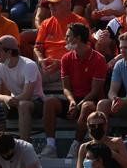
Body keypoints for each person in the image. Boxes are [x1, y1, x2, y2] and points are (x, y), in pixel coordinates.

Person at [40, 23, 106, 159]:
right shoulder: (66, 58)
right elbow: (66, 88)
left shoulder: (99, 59)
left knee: (87, 106)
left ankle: (76, 145)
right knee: (49, 102)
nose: (65, 39)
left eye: (68, 36)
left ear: (78, 38)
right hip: (74, 102)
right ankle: (50, 146)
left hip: (90, 101)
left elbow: (95, 91)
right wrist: (72, 102)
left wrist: (78, 105)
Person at [0, 35, 43, 142]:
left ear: (9, 52)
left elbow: (27, 95)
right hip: (14, 102)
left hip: (36, 103)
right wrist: (6, 98)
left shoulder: (29, 65)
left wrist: (10, 100)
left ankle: (24, 144)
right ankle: (1, 143)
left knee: (23, 105)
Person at [33, 0, 89, 84]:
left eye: (55, 3)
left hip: (69, 66)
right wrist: (41, 60)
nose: (51, 6)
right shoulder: (45, 23)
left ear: (68, 5)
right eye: (50, 3)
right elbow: (37, 48)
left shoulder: (80, 22)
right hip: (47, 67)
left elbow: (85, 50)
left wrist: (61, 63)